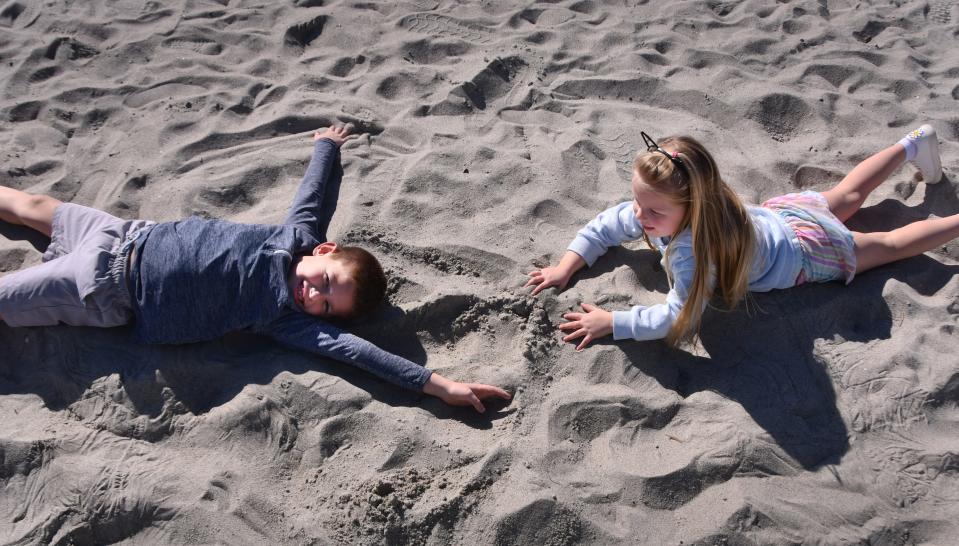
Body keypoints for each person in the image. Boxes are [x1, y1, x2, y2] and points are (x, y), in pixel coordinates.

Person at [0, 126, 510, 412]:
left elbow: (359, 353)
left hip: (106, 289)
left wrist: (436, 385)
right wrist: (327, 148)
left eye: (327, 307)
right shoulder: (296, 237)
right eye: (326, 282)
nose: (315, 296)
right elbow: (312, 199)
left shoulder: (283, 317)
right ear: (323, 251)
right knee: (33, 206)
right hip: (126, 234)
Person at [526, 125, 954, 349]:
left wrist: (613, 322)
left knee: (892, 246)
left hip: (806, 254)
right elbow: (606, 225)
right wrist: (568, 264)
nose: (638, 216)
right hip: (783, 218)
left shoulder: (696, 256)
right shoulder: (689, 208)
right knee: (847, 194)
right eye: (637, 203)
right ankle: (914, 143)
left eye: (652, 210)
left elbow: (678, 318)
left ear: (693, 207)